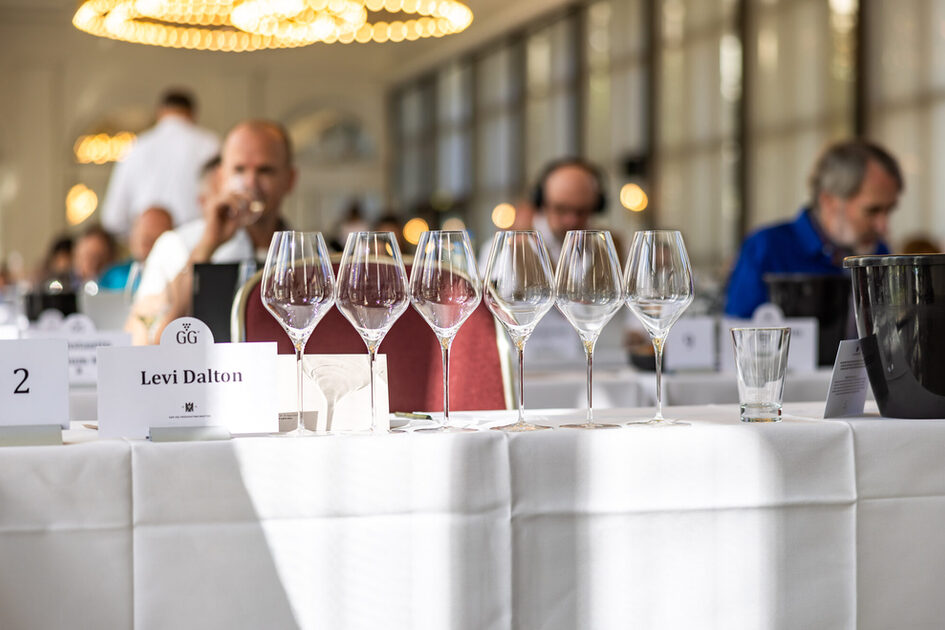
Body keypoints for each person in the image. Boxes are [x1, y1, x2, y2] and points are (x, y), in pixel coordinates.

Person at [126, 119, 296, 343]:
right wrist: (206, 247)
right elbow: (141, 338)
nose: (250, 182)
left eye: (265, 171)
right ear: (220, 177)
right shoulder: (177, 245)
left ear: (290, 180)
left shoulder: (309, 254)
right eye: (239, 169)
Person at [725, 140, 903, 318]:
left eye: (889, 210)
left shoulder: (878, 252)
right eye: (872, 211)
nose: (883, 226)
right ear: (829, 201)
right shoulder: (767, 249)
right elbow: (738, 336)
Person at [100, 88, 220, 237]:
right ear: (193, 114)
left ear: (159, 113)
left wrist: (142, 236)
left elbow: (113, 218)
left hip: (149, 244)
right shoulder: (210, 144)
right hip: (196, 240)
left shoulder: (136, 147)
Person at [531, 157, 608, 260]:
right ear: (542, 203)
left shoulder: (614, 246)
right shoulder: (515, 250)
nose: (572, 221)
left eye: (581, 211)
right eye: (561, 209)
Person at [98, 206, 173, 291]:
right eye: (140, 233)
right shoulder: (114, 275)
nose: (145, 244)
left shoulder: (174, 275)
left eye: (151, 238)